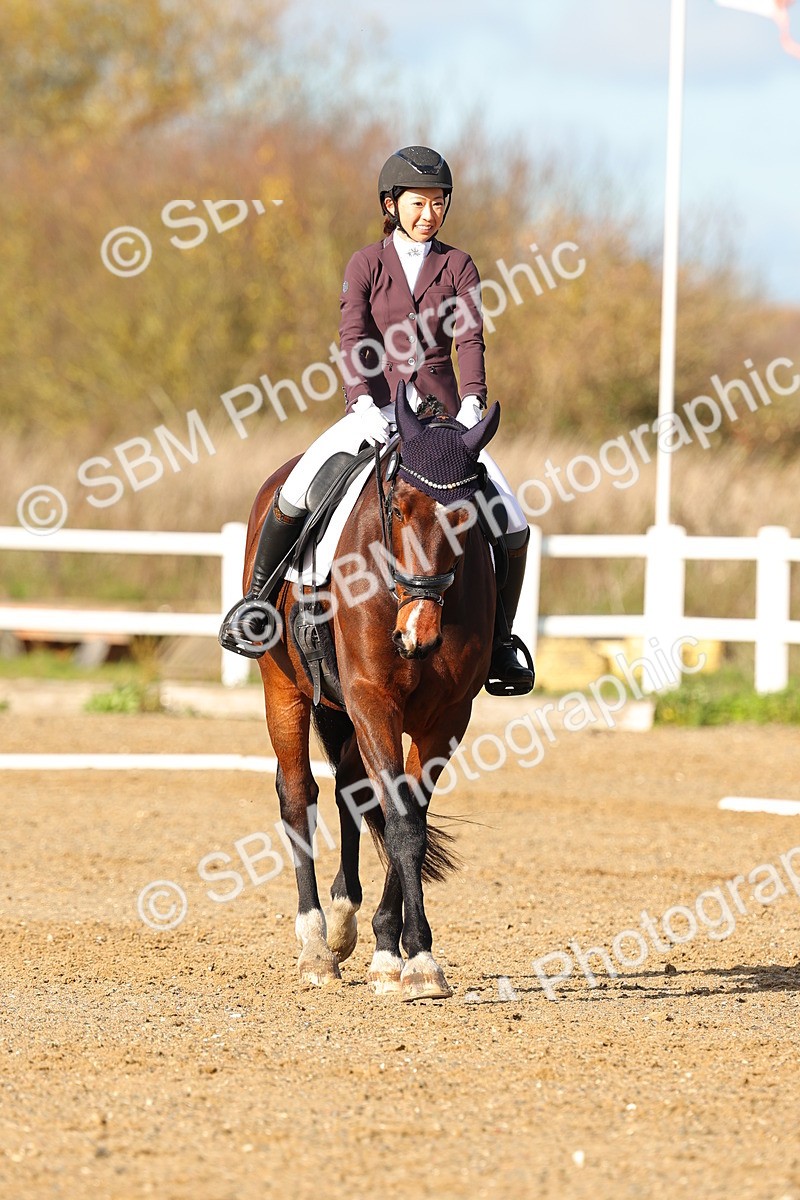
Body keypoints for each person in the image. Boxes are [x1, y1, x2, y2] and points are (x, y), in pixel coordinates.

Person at [220, 145, 534, 694]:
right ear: (391, 204)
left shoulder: (458, 265)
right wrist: (361, 400)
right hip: (376, 409)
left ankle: (501, 642)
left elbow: (469, 338)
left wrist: (473, 401)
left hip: (441, 419)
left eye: (438, 203)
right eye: (418, 203)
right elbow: (352, 336)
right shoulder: (366, 263)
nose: (428, 213)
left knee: (511, 518)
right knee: (296, 487)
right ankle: (257, 604)